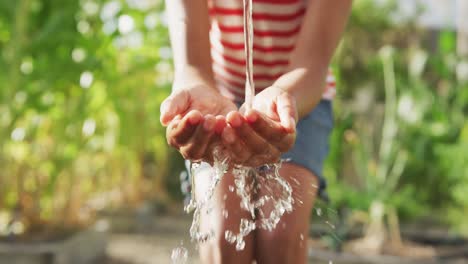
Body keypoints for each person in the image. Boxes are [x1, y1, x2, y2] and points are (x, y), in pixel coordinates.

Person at [160, 0, 352, 263]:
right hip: (215, 98)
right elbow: (192, 67)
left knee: (281, 235)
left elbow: (312, 65)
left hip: (298, 99)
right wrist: (192, 85)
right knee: (222, 231)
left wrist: (286, 98)